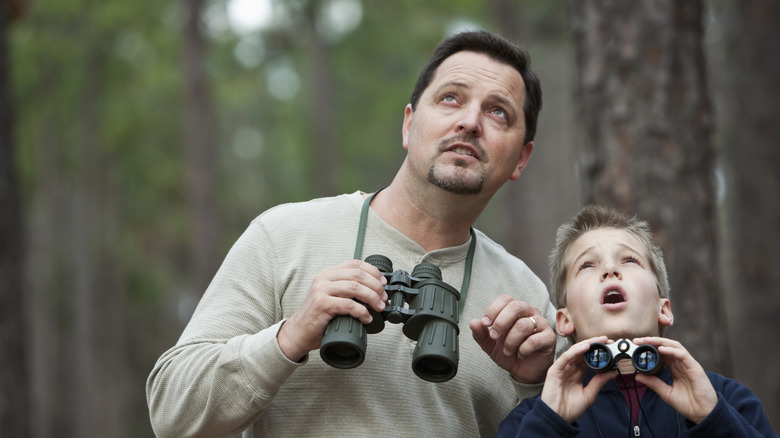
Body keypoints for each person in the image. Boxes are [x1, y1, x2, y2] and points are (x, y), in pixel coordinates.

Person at [147, 30, 563, 438]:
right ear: (408, 124)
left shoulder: (525, 298)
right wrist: (290, 336)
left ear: (520, 159)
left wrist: (534, 385)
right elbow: (171, 411)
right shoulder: (284, 236)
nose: (470, 122)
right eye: (450, 98)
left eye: (498, 112)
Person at [497, 204, 778, 438]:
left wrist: (713, 417)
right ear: (564, 320)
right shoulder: (530, 420)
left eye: (629, 260)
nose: (609, 269)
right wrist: (549, 422)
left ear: (663, 309)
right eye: (587, 265)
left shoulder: (729, 400)